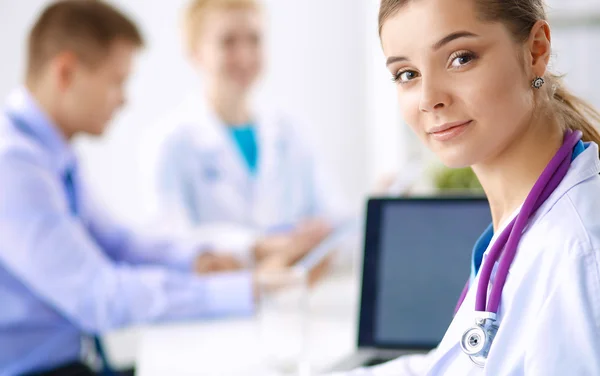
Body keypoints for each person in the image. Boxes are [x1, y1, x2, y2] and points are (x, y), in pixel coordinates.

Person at [0, 1, 317, 375]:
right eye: (117, 81)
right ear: (66, 72)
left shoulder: (50, 152)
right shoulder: (13, 165)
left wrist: (206, 258)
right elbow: (97, 297)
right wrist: (242, 289)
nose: (124, 99)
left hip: (79, 359)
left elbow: (119, 243)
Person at [333, 0, 600, 374]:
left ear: (536, 50)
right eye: (407, 74)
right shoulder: (521, 223)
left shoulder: (579, 253)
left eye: (460, 58)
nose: (429, 100)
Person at [144, 0, 351, 266]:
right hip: (219, 302)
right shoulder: (169, 140)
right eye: (227, 42)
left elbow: (334, 218)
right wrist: (258, 247)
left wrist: (329, 228)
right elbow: (169, 241)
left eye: (254, 40)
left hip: (296, 296)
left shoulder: (291, 131)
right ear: (195, 52)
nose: (244, 56)